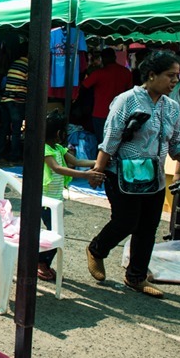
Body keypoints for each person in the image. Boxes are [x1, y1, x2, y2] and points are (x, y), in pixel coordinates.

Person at [86, 50, 180, 298]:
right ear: (151, 75)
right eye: (170, 75)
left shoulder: (171, 107)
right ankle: (96, 249)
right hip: (121, 174)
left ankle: (135, 276)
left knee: (148, 227)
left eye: (177, 76)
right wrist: (98, 170)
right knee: (126, 221)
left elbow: (177, 144)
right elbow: (111, 138)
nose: (174, 81)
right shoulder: (126, 100)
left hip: (154, 178)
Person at [39, 111, 105, 281]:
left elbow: (76, 162)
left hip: (55, 200)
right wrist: (85, 175)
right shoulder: (45, 149)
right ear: (59, 134)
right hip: (44, 201)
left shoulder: (58, 148)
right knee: (55, 233)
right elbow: (57, 168)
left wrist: (100, 163)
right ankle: (40, 263)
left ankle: (42, 262)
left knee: (55, 232)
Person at [81, 47, 133, 146]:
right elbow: (129, 91)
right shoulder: (126, 72)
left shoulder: (98, 73)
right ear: (114, 57)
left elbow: (84, 86)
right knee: (118, 143)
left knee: (102, 143)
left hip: (100, 113)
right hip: (120, 113)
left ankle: (102, 161)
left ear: (103, 58)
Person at [0, 45, 28, 164]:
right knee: (16, 131)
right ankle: (14, 157)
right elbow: (29, 84)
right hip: (16, 101)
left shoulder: (14, 63)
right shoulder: (28, 65)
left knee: (4, 129)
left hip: (5, 100)